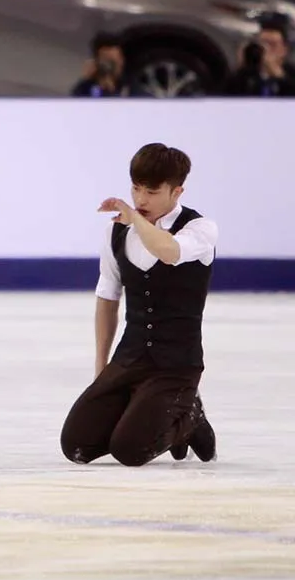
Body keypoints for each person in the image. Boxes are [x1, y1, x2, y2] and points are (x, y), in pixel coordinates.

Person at [60, 143, 218, 467]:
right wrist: (101, 365)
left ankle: (188, 416)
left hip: (176, 365)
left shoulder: (199, 229)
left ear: (177, 191)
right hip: (129, 360)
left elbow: (169, 252)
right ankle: (144, 406)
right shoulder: (116, 233)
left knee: (129, 450)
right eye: (135, 188)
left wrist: (135, 219)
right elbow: (108, 296)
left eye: (151, 191)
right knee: (77, 445)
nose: (141, 199)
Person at [221, 15, 295, 97]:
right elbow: (225, 98)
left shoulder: (290, 74)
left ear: (284, 50)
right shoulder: (247, 75)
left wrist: (279, 76)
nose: (266, 49)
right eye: (262, 43)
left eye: (272, 45)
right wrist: (242, 68)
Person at [70, 32, 135, 97]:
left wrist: (111, 90)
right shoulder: (85, 89)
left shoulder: (131, 88)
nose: (109, 68)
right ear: (96, 62)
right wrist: (87, 81)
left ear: (121, 61)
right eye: (107, 62)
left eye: (113, 62)